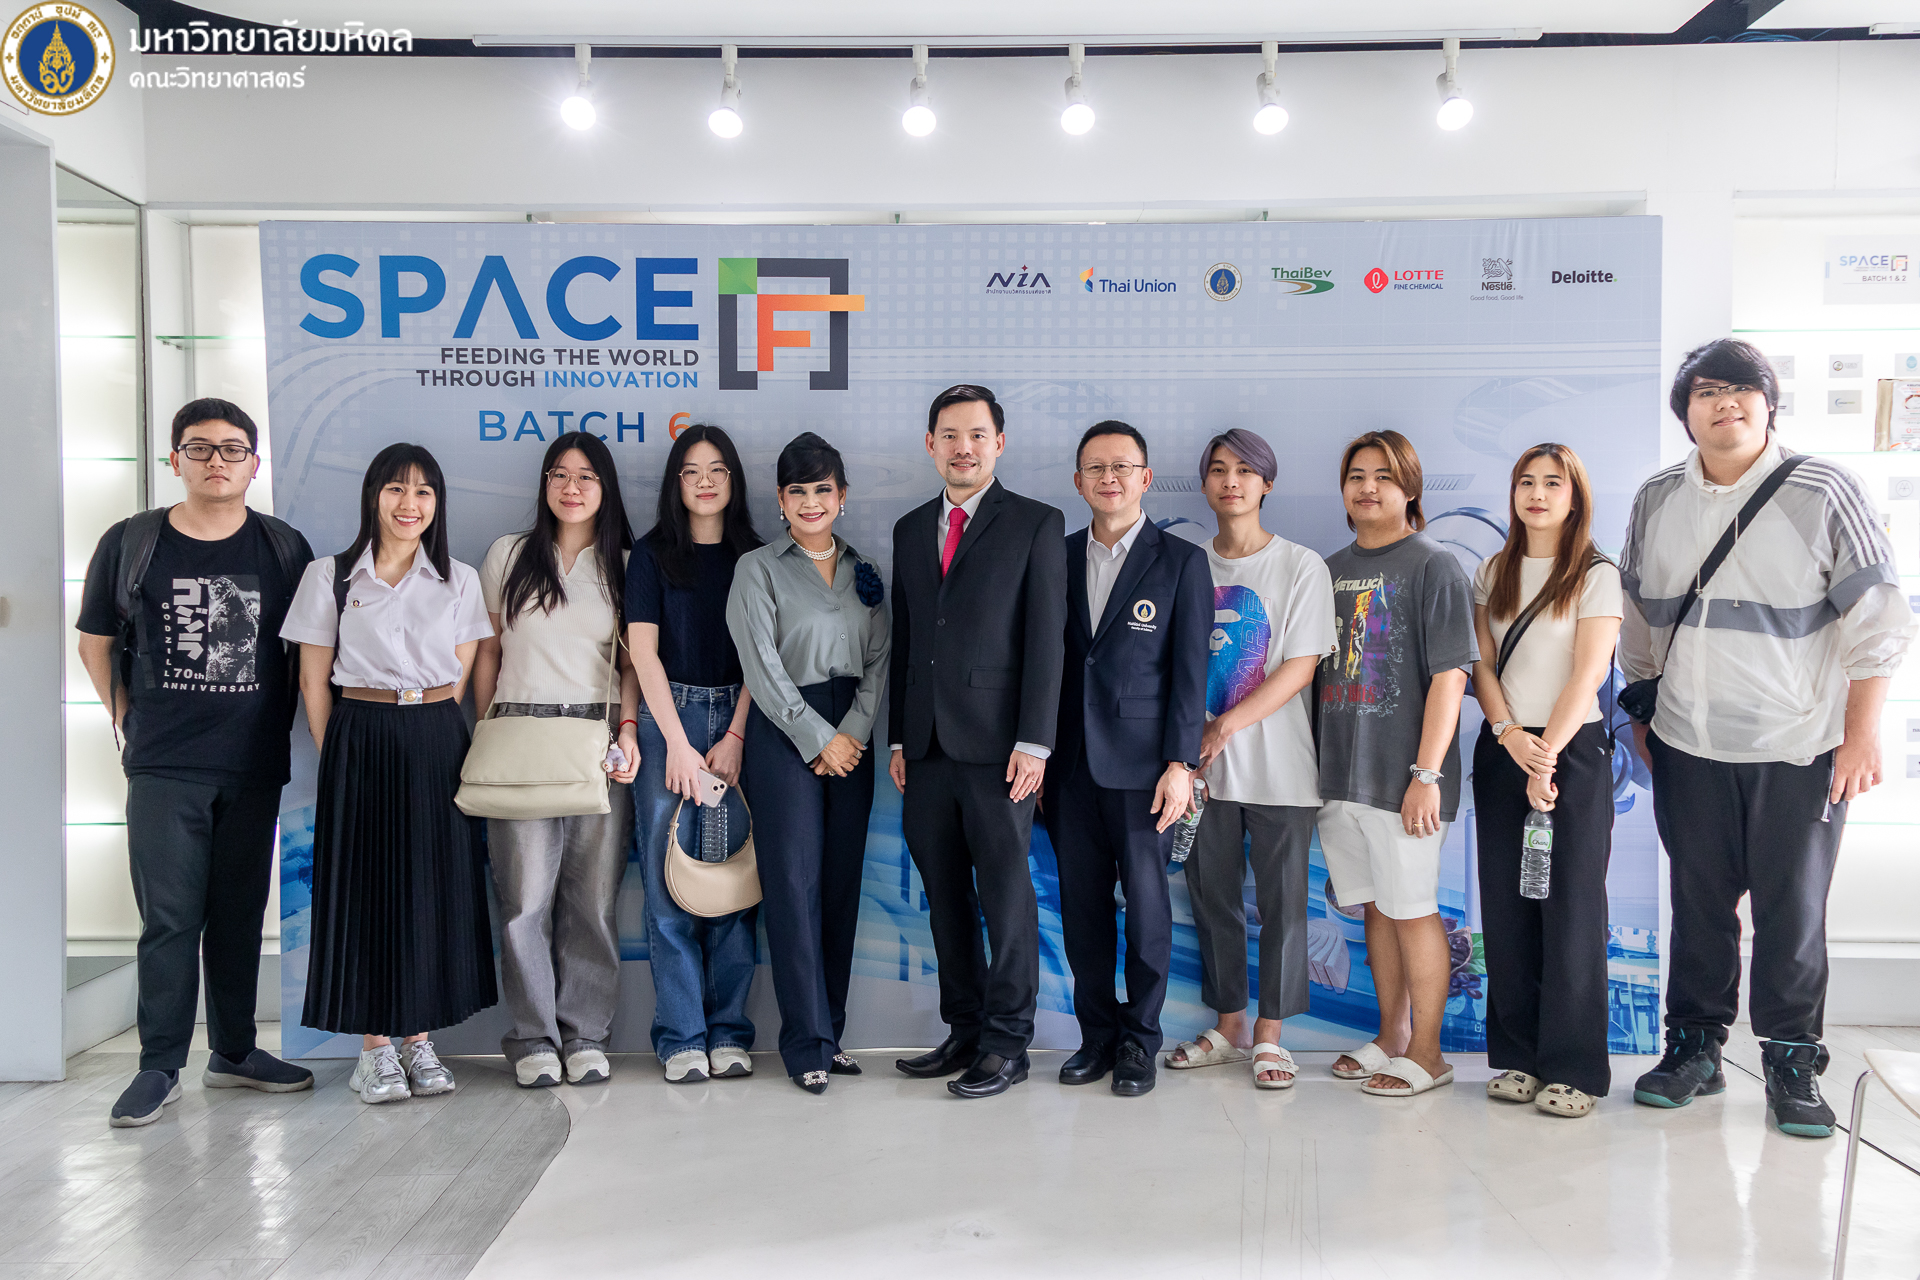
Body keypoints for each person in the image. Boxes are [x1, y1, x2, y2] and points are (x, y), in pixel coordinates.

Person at [1621, 339, 1914, 1138]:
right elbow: (1640, 624)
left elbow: (1880, 622)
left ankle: (1792, 1060)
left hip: (1801, 747)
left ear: (1770, 403)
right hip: (1687, 745)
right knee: (1699, 905)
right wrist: (1645, 724)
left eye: (1742, 388)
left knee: (1793, 911)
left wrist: (1861, 736)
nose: (1726, 402)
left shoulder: (1824, 489)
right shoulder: (1656, 498)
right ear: (1685, 412)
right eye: (1707, 391)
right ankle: (1695, 1048)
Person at [76, 398, 317, 1128]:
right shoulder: (133, 541)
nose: (218, 461)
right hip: (164, 764)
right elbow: (94, 640)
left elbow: (306, 650)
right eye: (201, 447)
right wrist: (124, 716)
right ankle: (159, 1066)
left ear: (253, 464)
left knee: (239, 915)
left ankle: (235, 1052)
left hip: (252, 760)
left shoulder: (283, 547)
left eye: (233, 449)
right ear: (174, 459)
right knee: (170, 918)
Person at [282, 443, 496, 1104]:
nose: (410, 504)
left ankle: (419, 1041)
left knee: (430, 885)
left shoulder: (459, 579)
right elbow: (313, 680)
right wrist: (341, 752)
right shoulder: (330, 576)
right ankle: (374, 1050)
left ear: (437, 503)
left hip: (436, 733)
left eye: (424, 491)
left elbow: (461, 674)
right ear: (373, 496)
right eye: (396, 489)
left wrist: (432, 728)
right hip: (360, 732)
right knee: (368, 887)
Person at [889, 384, 1067, 1099]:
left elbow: (1047, 640)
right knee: (945, 896)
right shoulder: (909, 529)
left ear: (999, 443)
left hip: (1001, 751)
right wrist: (899, 738)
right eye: (949, 435)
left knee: (1005, 896)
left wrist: (1036, 741)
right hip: (926, 748)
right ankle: (963, 1029)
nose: (963, 448)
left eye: (977, 435)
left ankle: (1008, 1042)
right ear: (931, 445)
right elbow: (908, 639)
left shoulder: (1036, 523)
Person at [471, 433, 641, 1090]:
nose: (572, 488)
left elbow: (632, 664)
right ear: (544, 484)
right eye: (559, 475)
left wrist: (628, 732)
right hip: (517, 737)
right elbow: (488, 651)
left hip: (596, 742)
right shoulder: (508, 555)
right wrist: (486, 729)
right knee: (522, 902)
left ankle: (585, 1034)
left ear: (606, 488)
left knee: (593, 902)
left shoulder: (625, 564)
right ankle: (534, 1037)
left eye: (586, 476)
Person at [1166, 429, 1334, 1090]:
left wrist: (1225, 726)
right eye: (1218, 470)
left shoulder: (1300, 565)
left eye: (1244, 470)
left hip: (1282, 769)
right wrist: (1192, 745)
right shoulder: (1185, 565)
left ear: (1267, 482)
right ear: (1205, 484)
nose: (1230, 481)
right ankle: (1231, 1026)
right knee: (1212, 901)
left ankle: (1271, 1036)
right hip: (1202, 775)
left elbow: (1300, 666)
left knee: (1283, 906)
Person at [1048, 421, 1210, 1098]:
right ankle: (1096, 1038)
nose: (1108, 478)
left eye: (1122, 467)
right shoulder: (1054, 556)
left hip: (1146, 772)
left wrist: (1181, 765)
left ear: (1145, 478)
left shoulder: (1181, 561)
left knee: (1145, 912)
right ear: (1078, 480)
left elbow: (1191, 675)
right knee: (1082, 912)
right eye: (1095, 467)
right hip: (1068, 770)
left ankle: (1140, 1040)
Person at [728, 433, 892, 1094]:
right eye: (798, 490)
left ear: (842, 495)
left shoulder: (864, 569)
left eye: (823, 489)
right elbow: (761, 665)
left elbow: (879, 661)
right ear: (781, 499)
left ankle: (833, 1031)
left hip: (852, 732)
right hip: (784, 731)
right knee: (793, 887)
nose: (811, 501)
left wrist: (851, 732)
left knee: (840, 885)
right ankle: (804, 1043)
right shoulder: (757, 568)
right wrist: (818, 737)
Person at [1315, 430, 1475, 1099]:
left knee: (1412, 911)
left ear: (1410, 488)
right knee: (1377, 911)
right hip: (1339, 777)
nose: (1368, 487)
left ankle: (1429, 1055)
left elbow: (1451, 677)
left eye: (1383, 475)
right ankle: (1392, 1036)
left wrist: (1426, 775)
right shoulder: (1327, 569)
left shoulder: (1434, 565)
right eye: (1356, 475)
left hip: (1405, 781)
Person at [1469, 443, 1622, 1119]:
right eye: (1526, 482)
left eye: (1552, 483)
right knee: (1507, 908)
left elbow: (1589, 674)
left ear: (1574, 495)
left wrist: (1546, 757)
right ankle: (1520, 1058)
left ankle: (1574, 1068)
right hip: (1504, 745)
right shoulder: (1493, 569)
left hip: (1572, 751)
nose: (1537, 493)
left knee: (1572, 911)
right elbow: (1481, 664)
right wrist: (1509, 735)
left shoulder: (1596, 573)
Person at [626, 425, 764, 1084]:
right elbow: (642, 652)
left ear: (733, 479)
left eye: (717, 470)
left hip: (742, 717)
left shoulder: (758, 556)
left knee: (734, 882)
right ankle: (681, 1035)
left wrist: (735, 735)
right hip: (668, 721)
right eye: (690, 471)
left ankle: (730, 1030)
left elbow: (765, 656)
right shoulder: (651, 555)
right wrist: (677, 744)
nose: (704, 482)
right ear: (675, 482)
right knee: (668, 885)